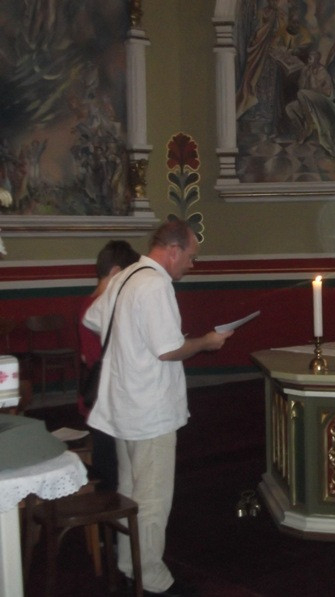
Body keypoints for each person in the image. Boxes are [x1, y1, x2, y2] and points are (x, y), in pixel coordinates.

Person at [83, 219, 233, 596]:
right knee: (151, 499)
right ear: (173, 250)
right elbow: (168, 350)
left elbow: (93, 318)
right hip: (149, 410)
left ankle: (128, 565)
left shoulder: (126, 276)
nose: (192, 265)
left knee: (130, 492)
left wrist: (133, 341)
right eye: (191, 257)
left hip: (123, 405)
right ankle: (150, 579)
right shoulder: (154, 283)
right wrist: (207, 342)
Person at [78, 240, 141, 491]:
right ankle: (113, 510)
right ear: (116, 272)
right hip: (107, 397)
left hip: (103, 397)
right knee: (111, 469)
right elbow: (101, 356)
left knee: (112, 464)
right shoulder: (100, 307)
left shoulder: (91, 302)